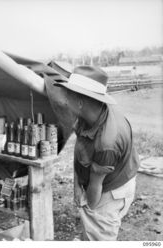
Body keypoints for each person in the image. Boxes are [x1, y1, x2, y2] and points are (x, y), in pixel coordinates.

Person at [53, 66, 140, 240]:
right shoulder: (91, 113)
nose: (64, 101)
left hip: (107, 193)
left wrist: (87, 199)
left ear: (79, 103)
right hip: (104, 181)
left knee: (98, 236)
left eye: (68, 96)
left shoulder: (107, 142)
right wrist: (77, 185)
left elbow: (93, 203)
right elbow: (80, 147)